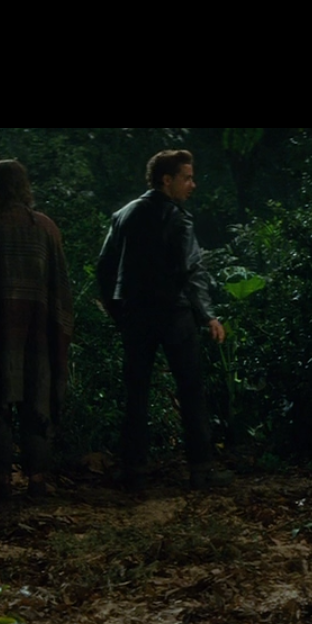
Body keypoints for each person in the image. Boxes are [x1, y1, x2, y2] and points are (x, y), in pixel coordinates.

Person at [96, 150, 231, 491]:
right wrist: (208, 316)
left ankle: (134, 470)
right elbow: (191, 269)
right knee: (191, 389)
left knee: (136, 392)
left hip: (136, 314)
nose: (192, 185)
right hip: (174, 313)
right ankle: (200, 468)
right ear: (166, 180)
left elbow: (105, 267)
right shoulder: (177, 218)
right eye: (187, 178)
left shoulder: (124, 214)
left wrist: (117, 309)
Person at [0, 160, 74, 504]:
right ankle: (37, 482)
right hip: (38, 334)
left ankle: (1, 483)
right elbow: (60, 282)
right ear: (25, 187)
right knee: (37, 401)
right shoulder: (46, 228)